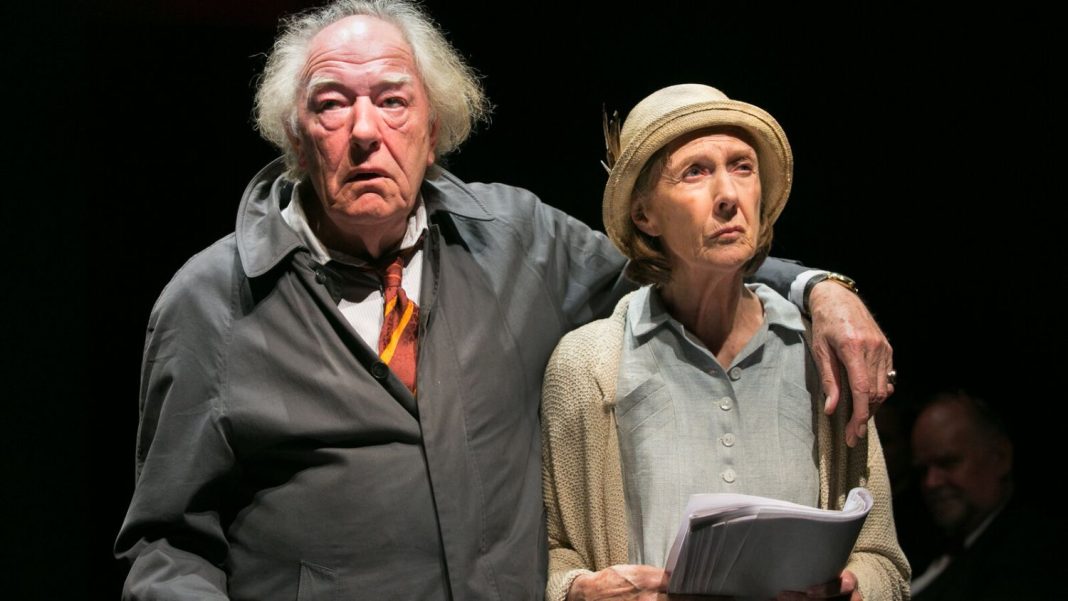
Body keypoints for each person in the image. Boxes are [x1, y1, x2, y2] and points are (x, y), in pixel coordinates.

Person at [114, 2, 896, 599]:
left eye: (392, 101)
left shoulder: (517, 239)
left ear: (435, 129)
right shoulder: (213, 303)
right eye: (331, 105)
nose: (364, 132)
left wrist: (817, 288)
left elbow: (680, 261)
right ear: (295, 135)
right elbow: (166, 546)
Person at [541, 84, 909, 601]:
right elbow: (551, 552)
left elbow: (884, 560)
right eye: (695, 172)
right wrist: (578, 591)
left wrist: (855, 589)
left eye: (742, 167)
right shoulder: (588, 364)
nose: (728, 196)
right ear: (644, 215)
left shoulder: (821, 354)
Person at [909, 391, 1057, 601]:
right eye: (923, 470)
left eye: (948, 463)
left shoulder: (1032, 556)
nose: (931, 482)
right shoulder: (928, 544)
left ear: (1000, 457)